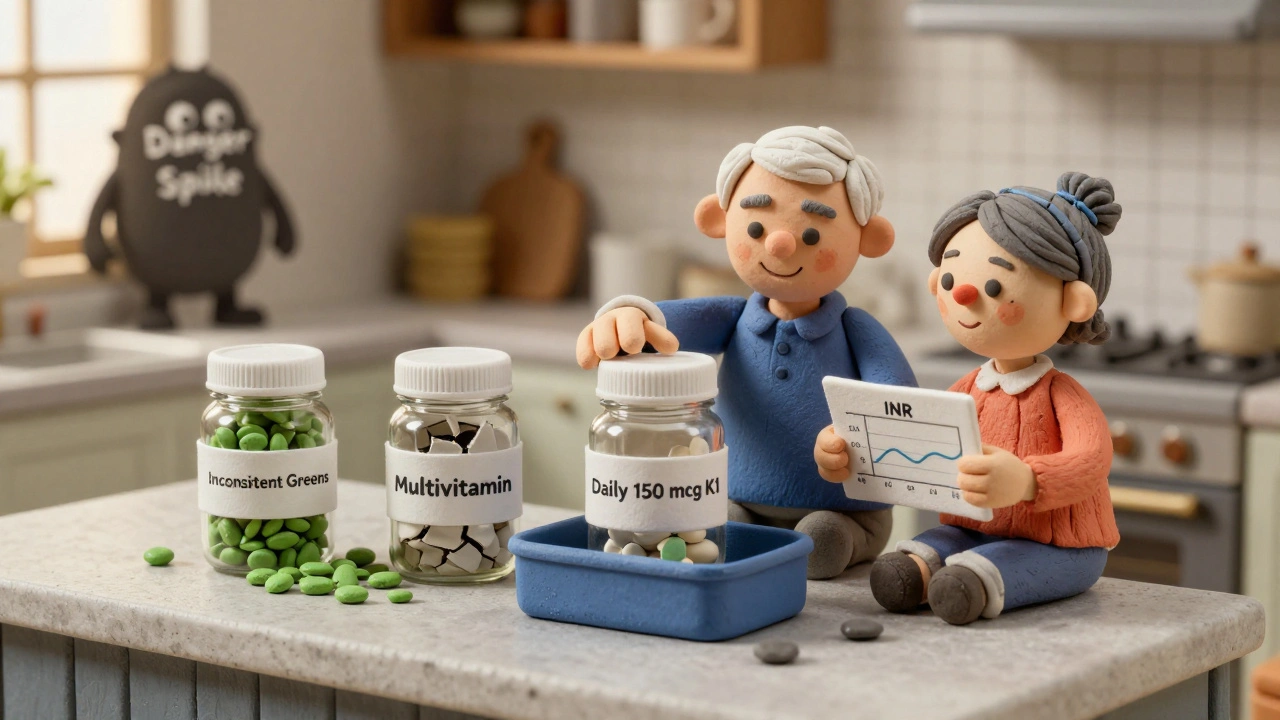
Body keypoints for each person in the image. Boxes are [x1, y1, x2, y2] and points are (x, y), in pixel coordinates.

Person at [576, 126, 916, 579]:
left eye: (812, 234)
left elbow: (897, 402)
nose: (781, 243)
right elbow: (659, 324)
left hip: (845, 507)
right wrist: (626, 316)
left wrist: (856, 437)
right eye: (756, 226)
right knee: (721, 535)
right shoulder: (734, 318)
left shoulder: (855, 329)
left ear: (868, 239)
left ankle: (838, 539)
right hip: (736, 501)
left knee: (824, 538)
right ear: (718, 219)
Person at [865, 171, 1122, 625]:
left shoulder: (1063, 395)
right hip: (969, 529)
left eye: (995, 286)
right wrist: (857, 449)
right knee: (929, 549)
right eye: (950, 281)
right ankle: (922, 572)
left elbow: (1091, 460)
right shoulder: (966, 388)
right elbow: (920, 445)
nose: (962, 295)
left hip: (1059, 545)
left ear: (1074, 301)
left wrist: (1026, 481)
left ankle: (977, 583)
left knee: (990, 566)